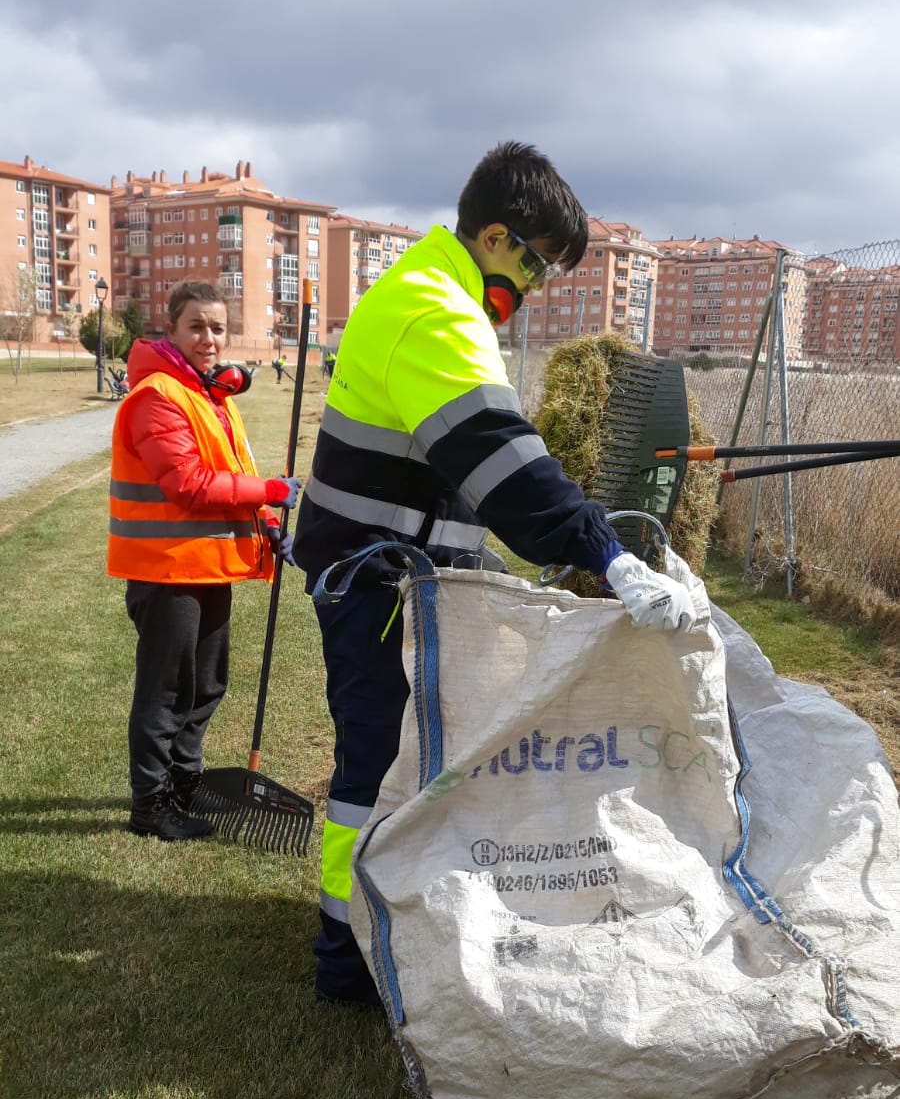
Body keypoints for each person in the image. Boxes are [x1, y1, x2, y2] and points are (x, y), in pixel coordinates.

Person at [292, 141, 697, 1006]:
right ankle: (348, 955)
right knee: (376, 766)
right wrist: (603, 551)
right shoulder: (431, 308)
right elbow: (501, 464)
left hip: (399, 574)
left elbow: (453, 475)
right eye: (542, 267)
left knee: (413, 757)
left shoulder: (443, 296)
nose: (539, 290)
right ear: (497, 237)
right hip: (374, 584)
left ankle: (392, 916)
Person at [108, 280, 301, 841]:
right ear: (170, 330)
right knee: (165, 692)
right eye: (196, 326)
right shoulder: (158, 397)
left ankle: (184, 782)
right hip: (167, 571)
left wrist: (268, 524)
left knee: (207, 686)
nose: (209, 338)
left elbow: (233, 469)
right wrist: (270, 488)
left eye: (217, 327)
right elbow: (189, 485)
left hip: (209, 567)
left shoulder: (211, 398)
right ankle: (150, 804)